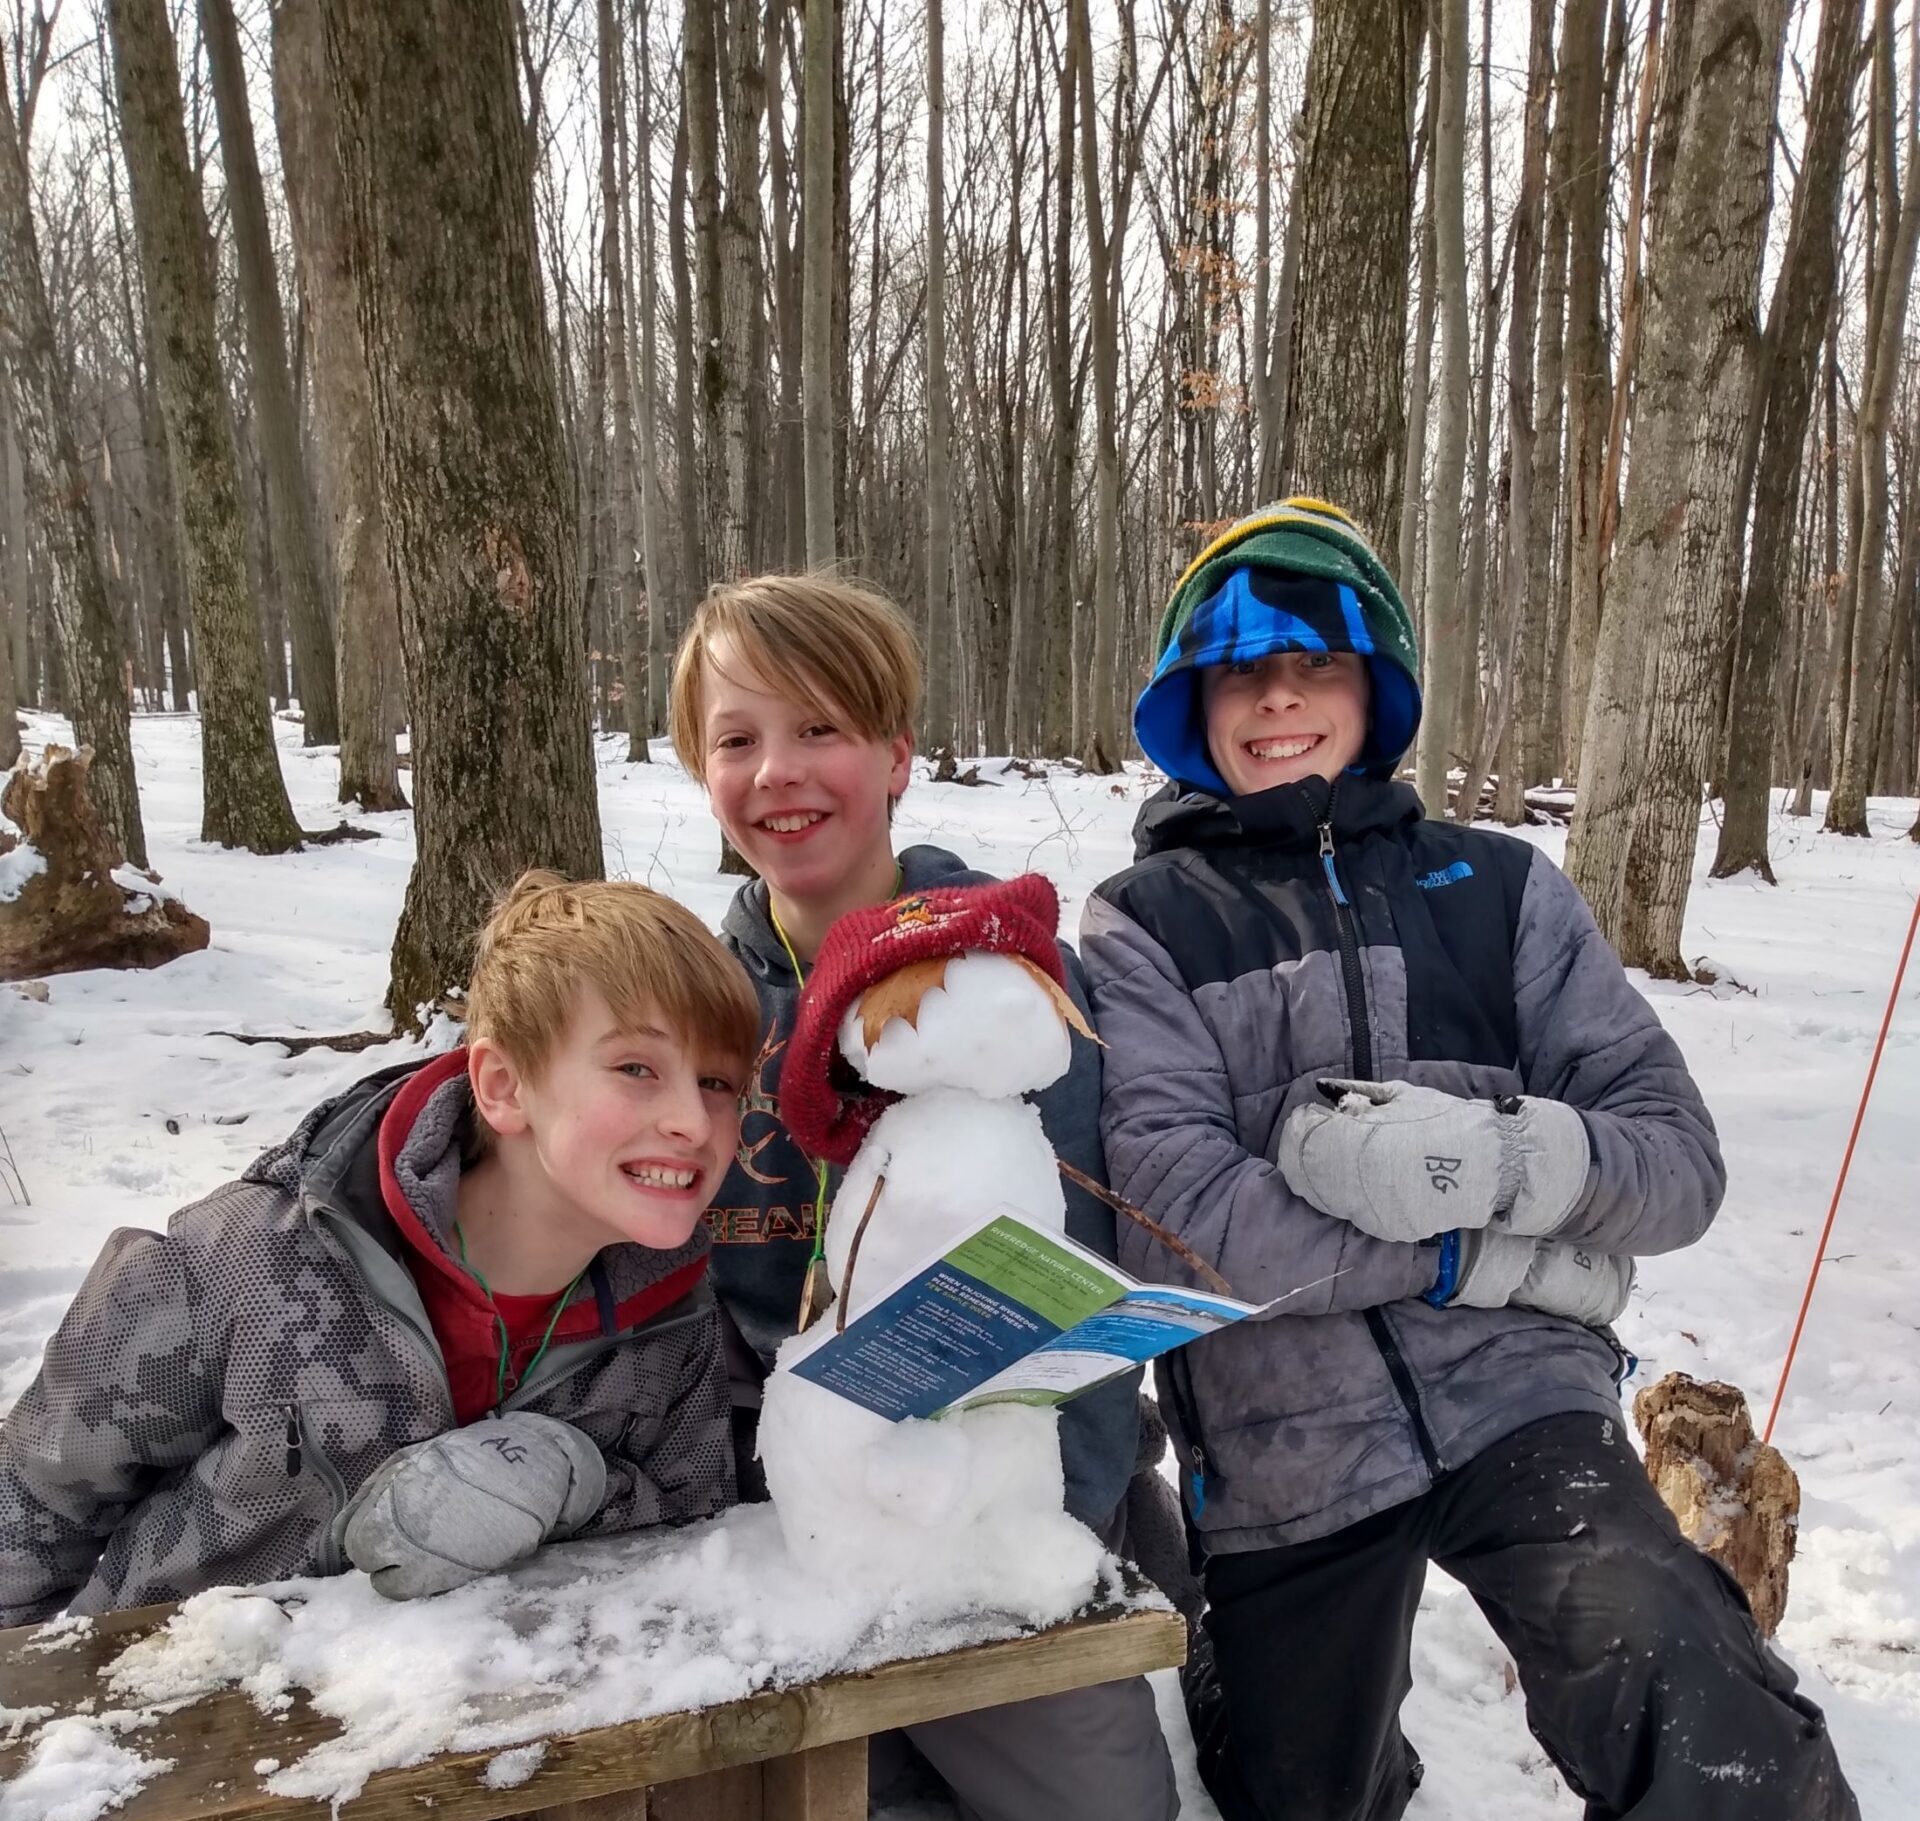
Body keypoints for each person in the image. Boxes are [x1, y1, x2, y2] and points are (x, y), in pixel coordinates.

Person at [1079, 498, 1858, 1821]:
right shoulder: (1146, 922)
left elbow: (1674, 1162)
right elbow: (1176, 1224)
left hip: (1520, 1401)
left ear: (1373, 686)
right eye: (1242, 674)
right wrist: (1472, 1250)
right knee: (1296, 1793)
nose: (1279, 699)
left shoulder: (1501, 889)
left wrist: (1504, 1161)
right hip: (1280, 1438)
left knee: (1687, 1678)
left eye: (1314, 663)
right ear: (1192, 705)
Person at [668, 572, 1180, 1821]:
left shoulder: (1005, 991)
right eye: (737, 740)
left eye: (821, 730)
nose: (778, 772)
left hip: (991, 1516)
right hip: (775, 1522)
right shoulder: (691, 1003)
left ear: (897, 756)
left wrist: (1059, 1526)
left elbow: (1081, 1290)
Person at [0, 871, 758, 1624]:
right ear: (503, 1085)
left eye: (717, 1081)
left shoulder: (673, 1327)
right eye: (636, 1068)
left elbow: (686, 1554)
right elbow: (32, 1502)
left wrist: (574, 1479)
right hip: (173, 1724)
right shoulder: (241, 1263)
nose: (693, 1120)